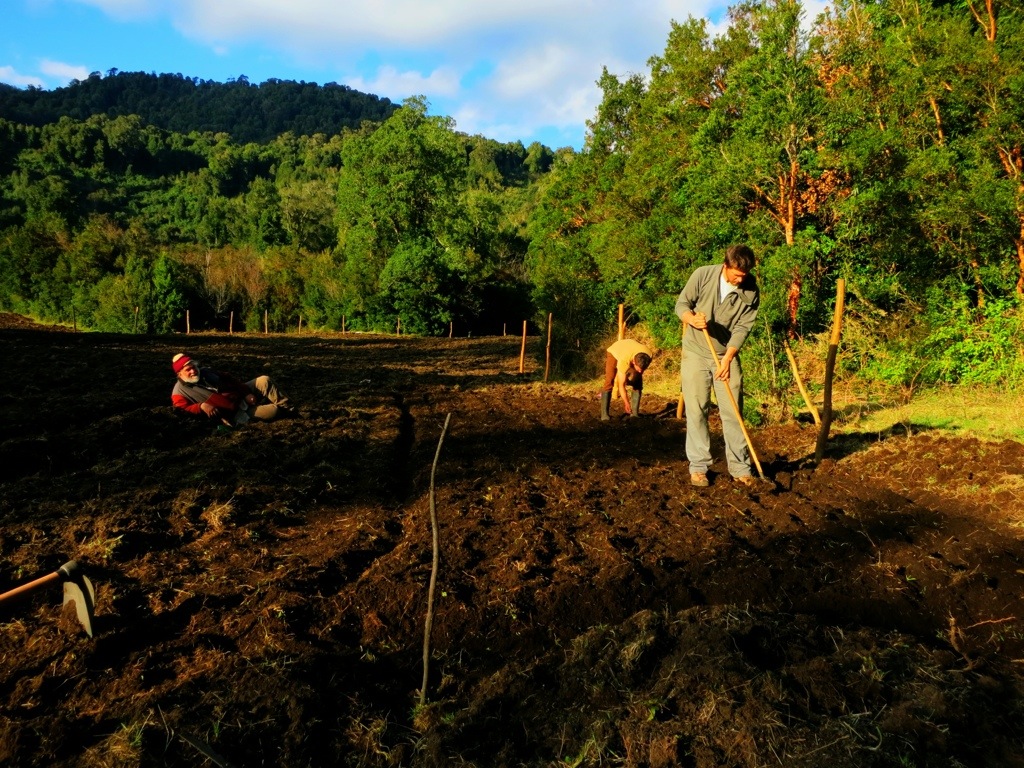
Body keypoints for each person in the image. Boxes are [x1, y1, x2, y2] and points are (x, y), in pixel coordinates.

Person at [675, 245, 759, 487]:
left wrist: (728, 357)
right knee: (697, 410)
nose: (740, 279)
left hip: (725, 355)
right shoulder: (703, 275)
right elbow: (682, 305)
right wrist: (692, 319)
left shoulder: (751, 290)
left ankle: (740, 468)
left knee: (733, 412)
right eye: (737, 274)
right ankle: (699, 467)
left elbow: (743, 327)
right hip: (695, 352)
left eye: (744, 275)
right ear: (725, 266)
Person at [170, 353, 292, 427]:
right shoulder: (179, 392)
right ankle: (278, 411)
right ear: (179, 373)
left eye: (194, 367)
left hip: (239, 396)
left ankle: (290, 409)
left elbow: (230, 379)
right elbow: (182, 410)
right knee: (274, 411)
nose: (193, 371)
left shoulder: (206, 372)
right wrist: (201, 406)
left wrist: (246, 393)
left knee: (264, 380)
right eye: (188, 370)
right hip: (235, 414)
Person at [600, 338, 652, 420]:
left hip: (631, 349)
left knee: (638, 383)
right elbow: (621, 384)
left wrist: (636, 375)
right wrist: (626, 403)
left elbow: (640, 370)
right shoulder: (624, 360)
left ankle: (635, 414)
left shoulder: (649, 356)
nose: (641, 372)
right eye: (639, 369)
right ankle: (604, 415)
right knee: (609, 380)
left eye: (643, 370)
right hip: (615, 350)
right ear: (633, 362)